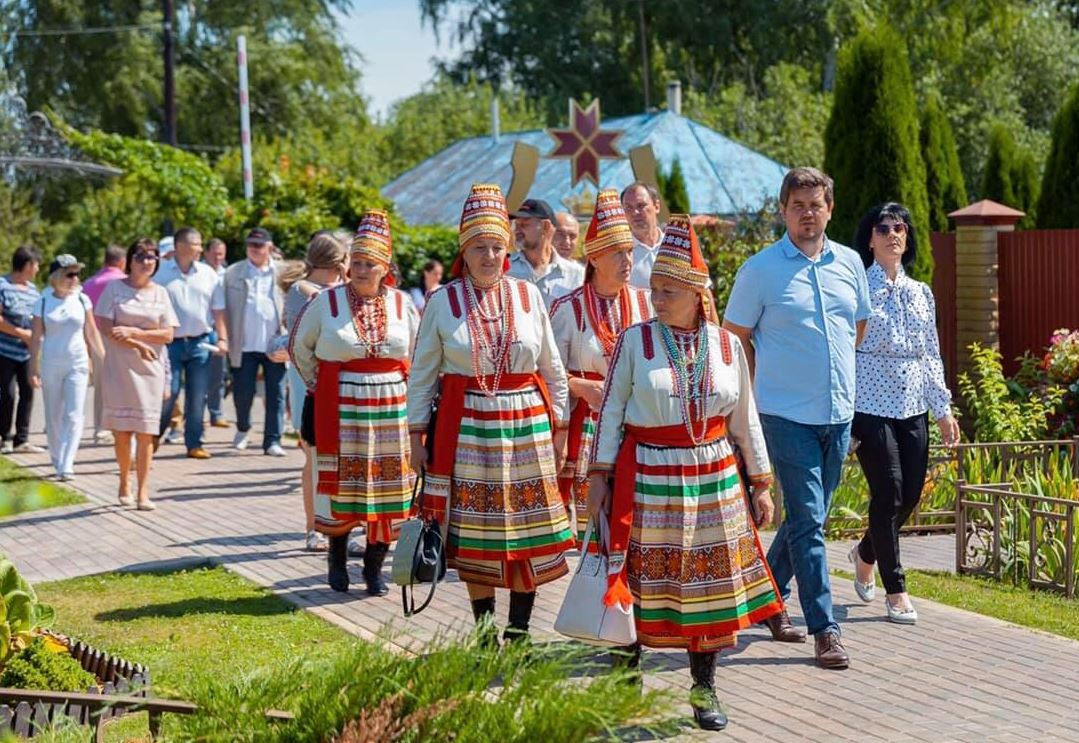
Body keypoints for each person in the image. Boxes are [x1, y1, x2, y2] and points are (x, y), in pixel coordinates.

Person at [588, 215, 782, 731]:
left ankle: (703, 688)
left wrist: (760, 483)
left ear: (698, 293)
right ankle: (625, 690)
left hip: (714, 480)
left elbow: (746, 419)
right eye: (655, 289)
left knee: (708, 587)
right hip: (648, 475)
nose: (659, 298)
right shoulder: (635, 343)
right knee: (638, 583)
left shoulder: (726, 347)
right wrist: (599, 477)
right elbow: (611, 412)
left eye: (670, 290)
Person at [407, 183, 573, 645]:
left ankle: (519, 632)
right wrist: (415, 439)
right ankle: (483, 635)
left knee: (526, 537)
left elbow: (552, 368)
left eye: (497, 246)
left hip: (526, 431)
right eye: (479, 247)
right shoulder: (443, 301)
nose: (489, 255)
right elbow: (422, 376)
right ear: (464, 249)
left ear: (508, 248)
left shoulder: (526, 296)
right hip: (468, 434)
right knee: (475, 538)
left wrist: (559, 428)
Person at [722, 167, 871, 670]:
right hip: (784, 416)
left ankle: (765, 599)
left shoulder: (850, 262)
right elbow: (732, 340)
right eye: (798, 205)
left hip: (839, 414)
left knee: (810, 520)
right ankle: (824, 630)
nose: (808, 213)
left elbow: (859, 327)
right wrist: (755, 396)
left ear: (830, 208)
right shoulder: (760, 270)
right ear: (784, 211)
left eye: (816, 204)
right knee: (810, 525)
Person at [292, 211, 419, 595]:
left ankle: (373, 567)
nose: (362, 271)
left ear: (385, 268)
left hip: (391, 412)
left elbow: (417, 352)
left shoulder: (402, 304)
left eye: (370, 264)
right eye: (357, 263)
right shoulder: (325, 303)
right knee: (345, 485)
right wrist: (322, 383)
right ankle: (335, 556)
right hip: (342, 409)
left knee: (386, 489)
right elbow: (301, 348)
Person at [848, 202, 960, 625]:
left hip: (913, 404)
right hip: (869, 404)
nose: (894, 234)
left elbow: (931, 354)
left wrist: (943, 410)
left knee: (910, 494)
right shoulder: (858, 288)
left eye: (900, 228)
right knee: (889, 491)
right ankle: (896, 590)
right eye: (884, 228)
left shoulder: (921, 293)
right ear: (870, 238)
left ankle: (865, 553)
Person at [549, 189, 652, 538]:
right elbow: (546, 372)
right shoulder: (568, 309)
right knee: (593, 529)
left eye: (629, 252)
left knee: (636, 520)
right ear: (593, 258)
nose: (627, 260)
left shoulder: (645, 303)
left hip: (635, 424)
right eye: (617, 253)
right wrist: (580, 386)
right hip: (587, 428)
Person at [95, 238, 178, 510]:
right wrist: (136, 344)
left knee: (146, 432)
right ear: (130, 260)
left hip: (150, 369)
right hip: (119, 368)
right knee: (122, 432)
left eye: (152, 257)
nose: (147, 261)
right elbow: (107, 327)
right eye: (141, 256)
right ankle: (124, 481)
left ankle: (143, 491)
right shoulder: (114, 289)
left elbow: (168, 333)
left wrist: (135, 333)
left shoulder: (161, 293)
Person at [281, 231, 348, 553]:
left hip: (340, 386)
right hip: (309, 384)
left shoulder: (335, 292)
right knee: (314, 457)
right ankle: (314, 528)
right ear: (339, 262)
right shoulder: (302, 291)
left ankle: (341, 526)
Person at [27, 255, 105, 480]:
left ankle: (67, 463)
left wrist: (104, 359)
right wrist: (33, 368)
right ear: (56, 277)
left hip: (77, 363)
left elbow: (91, 332)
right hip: (51, 363)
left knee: (74, 414)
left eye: (77, 274)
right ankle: (56, 456)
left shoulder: (82, 300)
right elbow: (36, 338)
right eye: (69, 274)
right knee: (53, 415)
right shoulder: (42, 301)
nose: (75, 278)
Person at [216, 228, 289, 457]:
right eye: (251, 245)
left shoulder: (282, 272)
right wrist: (224, 337)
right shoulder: (233, 272)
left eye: (259, 245)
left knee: (276, 393)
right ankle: (243, 429)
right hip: (244, 344)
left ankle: (273, 440)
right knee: (242, 393)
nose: (254, 249)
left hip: (274, 344)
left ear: (269, 247)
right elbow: (222, 307)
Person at [155, 227, 226, 459]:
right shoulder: (161, 273)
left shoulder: (208, 274)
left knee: (197, 396)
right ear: (181, 246)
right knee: (169, 392)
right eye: (196, 244)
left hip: (200, 343)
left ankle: (194, 443)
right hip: (170, 344)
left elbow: (218, 310)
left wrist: (223, 338)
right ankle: (153, 436)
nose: (200, 249)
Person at [0, 245, 43, 454]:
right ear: (26, 265)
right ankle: (3, 437)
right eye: (36, 265)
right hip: (4, 351)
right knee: (7, 394)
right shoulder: (2, 285)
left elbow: (37, 320)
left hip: (27, 352)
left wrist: (35, 338)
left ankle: (22, 440)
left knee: (28, 393)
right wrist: (20, 333)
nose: (38, 270)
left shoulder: (34, 291)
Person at [82, 244, 126, 444]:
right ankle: (119, 427)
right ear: (121, 261)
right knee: (122, 384)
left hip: (94, 335)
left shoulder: (89, 283)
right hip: (118, 335)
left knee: (100, 384)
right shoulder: (123, 282)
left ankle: (100, 428)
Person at [506, 198, 585, 308]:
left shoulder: (577, 275)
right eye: (516, 225)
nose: (517, 230)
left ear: (545, 227)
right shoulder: (505, 270)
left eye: (524, 225)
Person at [202, 237, 230, 429]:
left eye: (222, 253)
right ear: (206, 253)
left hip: (219, 329)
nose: (218, 257)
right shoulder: (199, 272)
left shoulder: (227, 274)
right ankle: (191, 413)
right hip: (202, 329)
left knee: (218, 375)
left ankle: (216, 412)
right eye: (215, 253)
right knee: (197, 375)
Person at [620, 182, 665, 287]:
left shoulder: (676, 247)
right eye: (628, 208)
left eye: (641, 206)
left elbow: (702, 290)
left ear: (657, 206)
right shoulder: (620, 255)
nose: (635, 212)